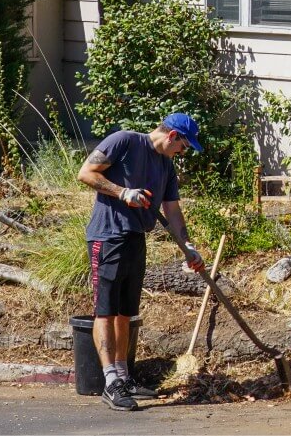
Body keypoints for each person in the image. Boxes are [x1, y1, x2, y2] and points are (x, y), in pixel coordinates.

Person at [78, 113, 206, 412]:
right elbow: (86, 173)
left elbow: (172, 211)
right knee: (106, 312)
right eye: (184, 147)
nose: (183, 153)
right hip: (107, 236)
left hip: (136, 237)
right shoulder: (124, 141)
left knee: (126, 313)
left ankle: (124, 376)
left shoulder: (166, 165)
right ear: (173, 136)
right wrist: (123, 192)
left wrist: (187, 246)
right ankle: (110, 383)